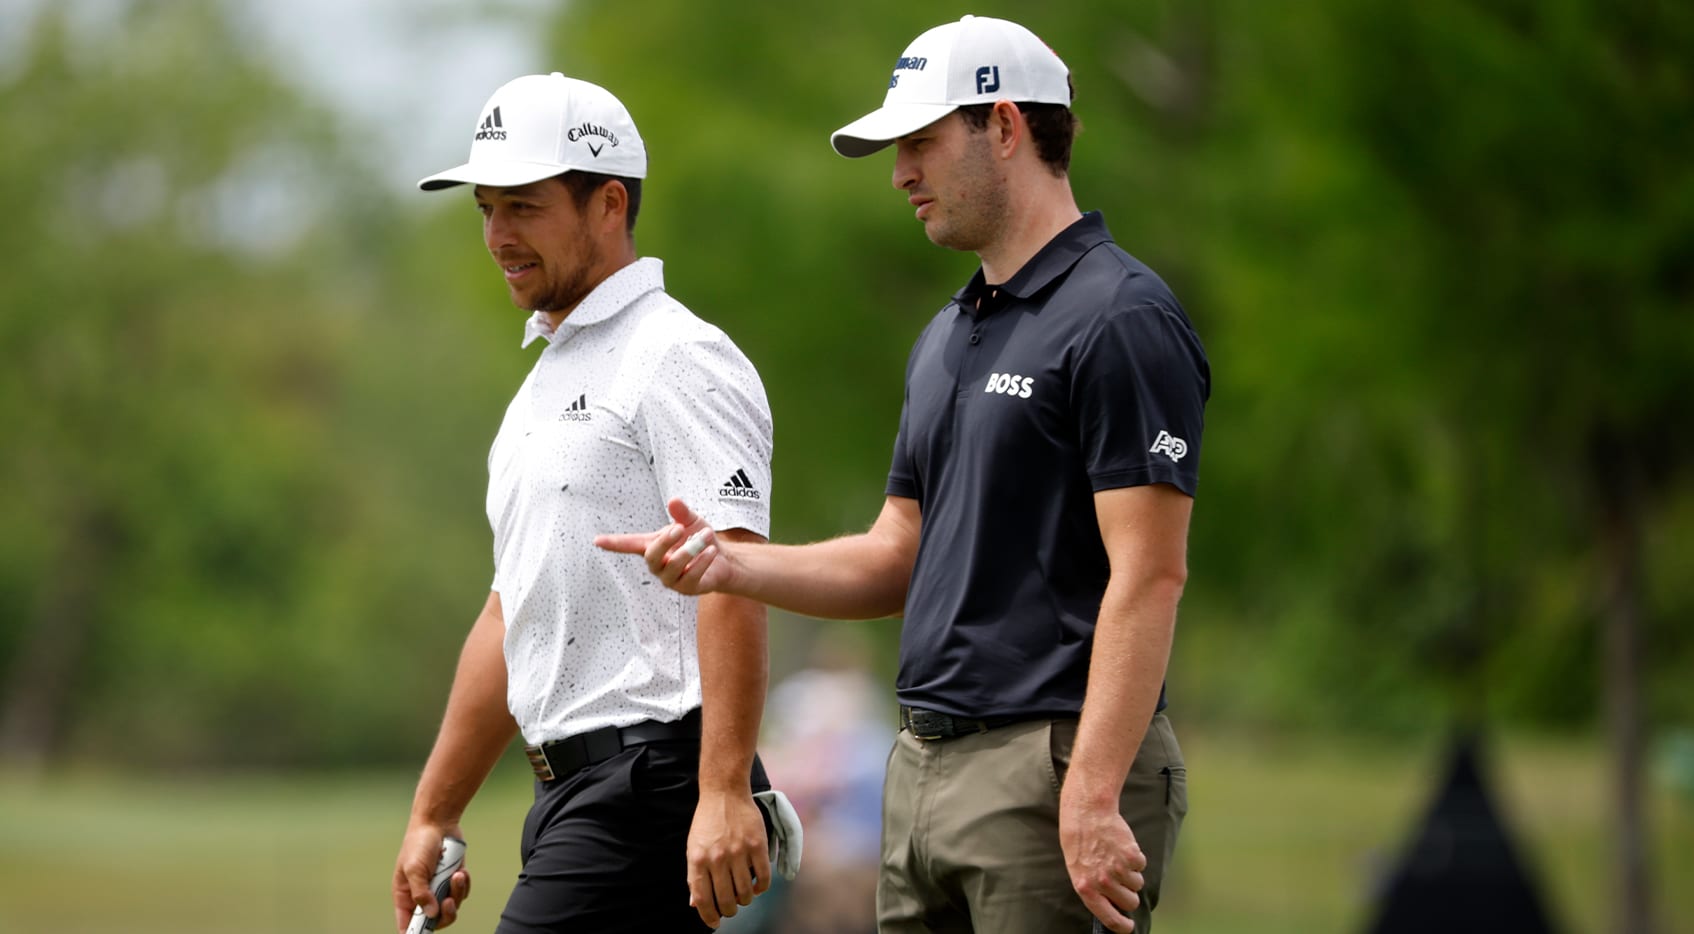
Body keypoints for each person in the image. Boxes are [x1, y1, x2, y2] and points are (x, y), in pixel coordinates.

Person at [597, 15, 1208, 934]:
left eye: (920, 143)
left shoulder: (1120, 316)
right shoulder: (947, 335)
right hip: (922, 766)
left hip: (1050, 761)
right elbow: (897, 556)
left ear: (1004, 127)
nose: (900, 174)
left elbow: (1150, 572)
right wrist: (728, 565)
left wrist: (1090, 791)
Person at [392, 72, 783, 933]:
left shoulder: (677, 357)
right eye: (485, 210)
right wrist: (435, 810)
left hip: (652, 786)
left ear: (609, 202)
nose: (497, 236)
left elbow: (732, 573)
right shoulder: (542, 385)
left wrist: (723, 790)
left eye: (523, 207)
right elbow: (513, 611)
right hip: (573, 798)